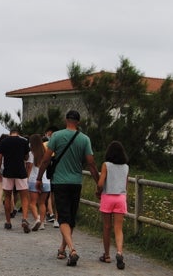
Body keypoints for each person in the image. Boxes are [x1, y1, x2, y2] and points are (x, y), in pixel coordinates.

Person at [36, 110, 100, 267]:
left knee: (63, 217)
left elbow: (45, 159)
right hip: (76, 182)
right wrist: (98, 182)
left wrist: (39, 177)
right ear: (78, 122)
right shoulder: (85, 139)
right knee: (70, 217)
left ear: (66, 120)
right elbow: (91, 163)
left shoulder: (56, 136)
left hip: (60, 181)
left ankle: (72, 250)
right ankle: (62, 249)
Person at [96, 141, 129, 270]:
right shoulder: (126, 167)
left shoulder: (106, 165)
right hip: (121, 197)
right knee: (118, 228)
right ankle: (119, 252)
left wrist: (98, 192)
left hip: (108, 196)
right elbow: (126, 185)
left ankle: (107, 255)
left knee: (107, 227)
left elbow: (100, 183)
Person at [0, 129, 31, 232]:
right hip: (20, 171)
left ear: (10, 133)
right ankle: (24, 218)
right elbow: (26, 156)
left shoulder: (4, 142)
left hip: (8, 172)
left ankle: (8, 222)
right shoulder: (24, 141)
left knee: (7, 197)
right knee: (24, 196)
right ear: (18, 133)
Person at [27, 134, 50, 231]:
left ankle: (37, 219)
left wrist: (26, 178)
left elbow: (29, 167)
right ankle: (42, 222)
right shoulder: (46, 152)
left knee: (32, 203)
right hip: (46, 181)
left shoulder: (31, 154)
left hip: (34, 179)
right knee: (42, 203)